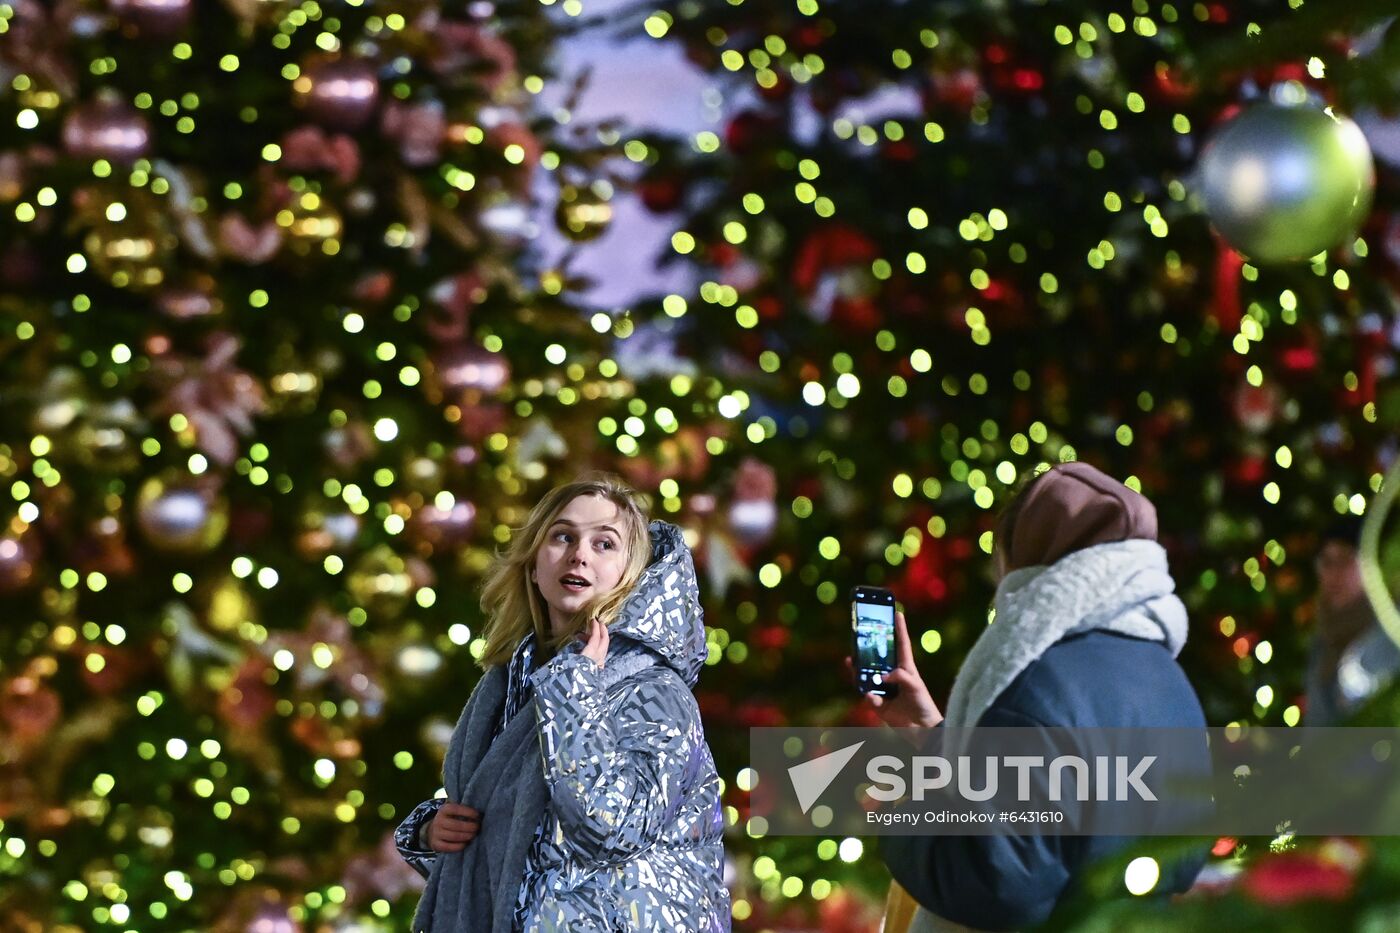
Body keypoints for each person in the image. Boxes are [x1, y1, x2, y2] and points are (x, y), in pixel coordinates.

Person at [864, 461, 1210, 932]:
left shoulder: (1036, 686)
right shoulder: (1170, 682)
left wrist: (903, 816)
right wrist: (935, 735)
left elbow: (997, 882)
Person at [396, 473, 730, 932]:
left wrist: (575, 689)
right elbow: (521, 857)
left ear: (630, 574)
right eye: (563, 536)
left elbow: (612, 830)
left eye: (604, 544)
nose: (579, 554)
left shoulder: (655, 692)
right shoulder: (509, 682)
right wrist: (432, 832)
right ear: (534, 563)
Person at [1305, 514, 1400, 724]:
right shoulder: (1323, 641)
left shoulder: (1392, 628)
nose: (1334, 573)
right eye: (1326, 562)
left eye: (1346, 559)